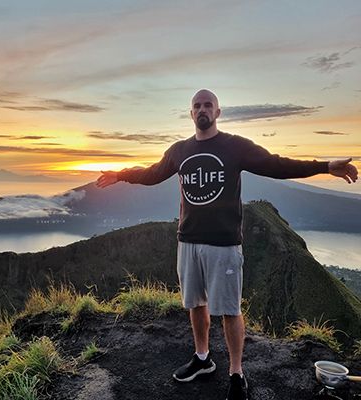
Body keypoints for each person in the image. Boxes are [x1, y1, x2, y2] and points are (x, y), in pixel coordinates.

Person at [96, 89, 358, 400]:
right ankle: (203, 358)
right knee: (196, 304)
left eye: (208, 105)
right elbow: (153, 174)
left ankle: (236, 373)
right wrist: (121, 174)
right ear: (191, 114)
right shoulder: (179, 151)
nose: (202, 109)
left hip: (224, 244)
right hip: (188, 240)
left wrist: (325, 166)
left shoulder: (235, 147)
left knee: (230, 311)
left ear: (218, 112)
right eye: (197, 106)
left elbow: (277, 164)